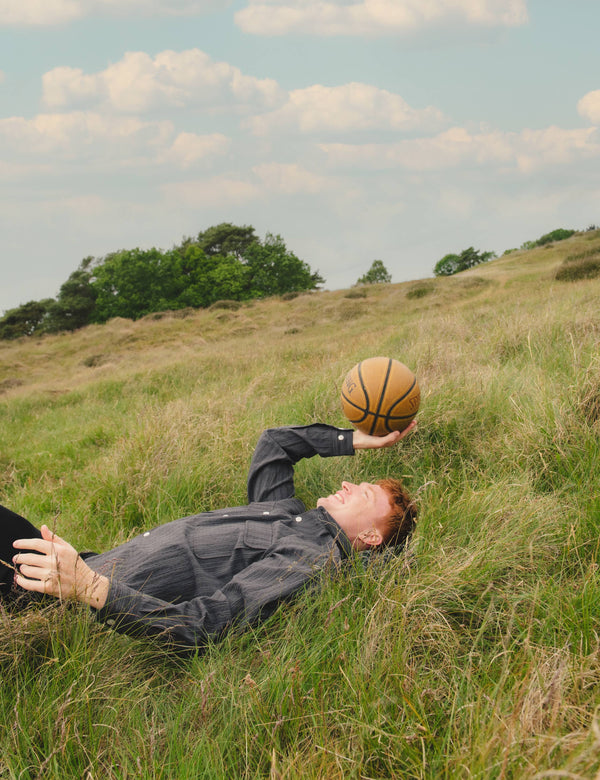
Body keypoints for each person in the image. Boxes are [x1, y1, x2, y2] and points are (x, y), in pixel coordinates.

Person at [1, 422, 416, 651]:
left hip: (62, 605)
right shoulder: (288, 512)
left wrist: (91, 588)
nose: (347, 484)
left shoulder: (306, 559)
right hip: (73, 564)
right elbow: (275, 444)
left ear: (370, 536)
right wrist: (355, 439)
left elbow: (209, 625)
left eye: (362, 493)